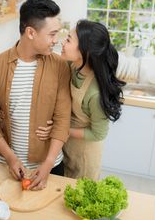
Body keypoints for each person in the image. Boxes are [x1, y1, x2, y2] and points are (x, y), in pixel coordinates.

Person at [0, 0, 71, 190]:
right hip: (6, 166)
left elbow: (63, 118)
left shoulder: (60, 66)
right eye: (52, 34)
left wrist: (47, 164)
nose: (56, 41)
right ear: (30, 32)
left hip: (51, 167)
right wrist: (10, 157)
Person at [37, 19, 125, 181]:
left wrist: (60, 129)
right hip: (67, 145)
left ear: (85, 51)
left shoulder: (95, 93)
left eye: (69, 39)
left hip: (85, 154)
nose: (63, 42)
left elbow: (98, 133)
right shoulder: (73, 66)